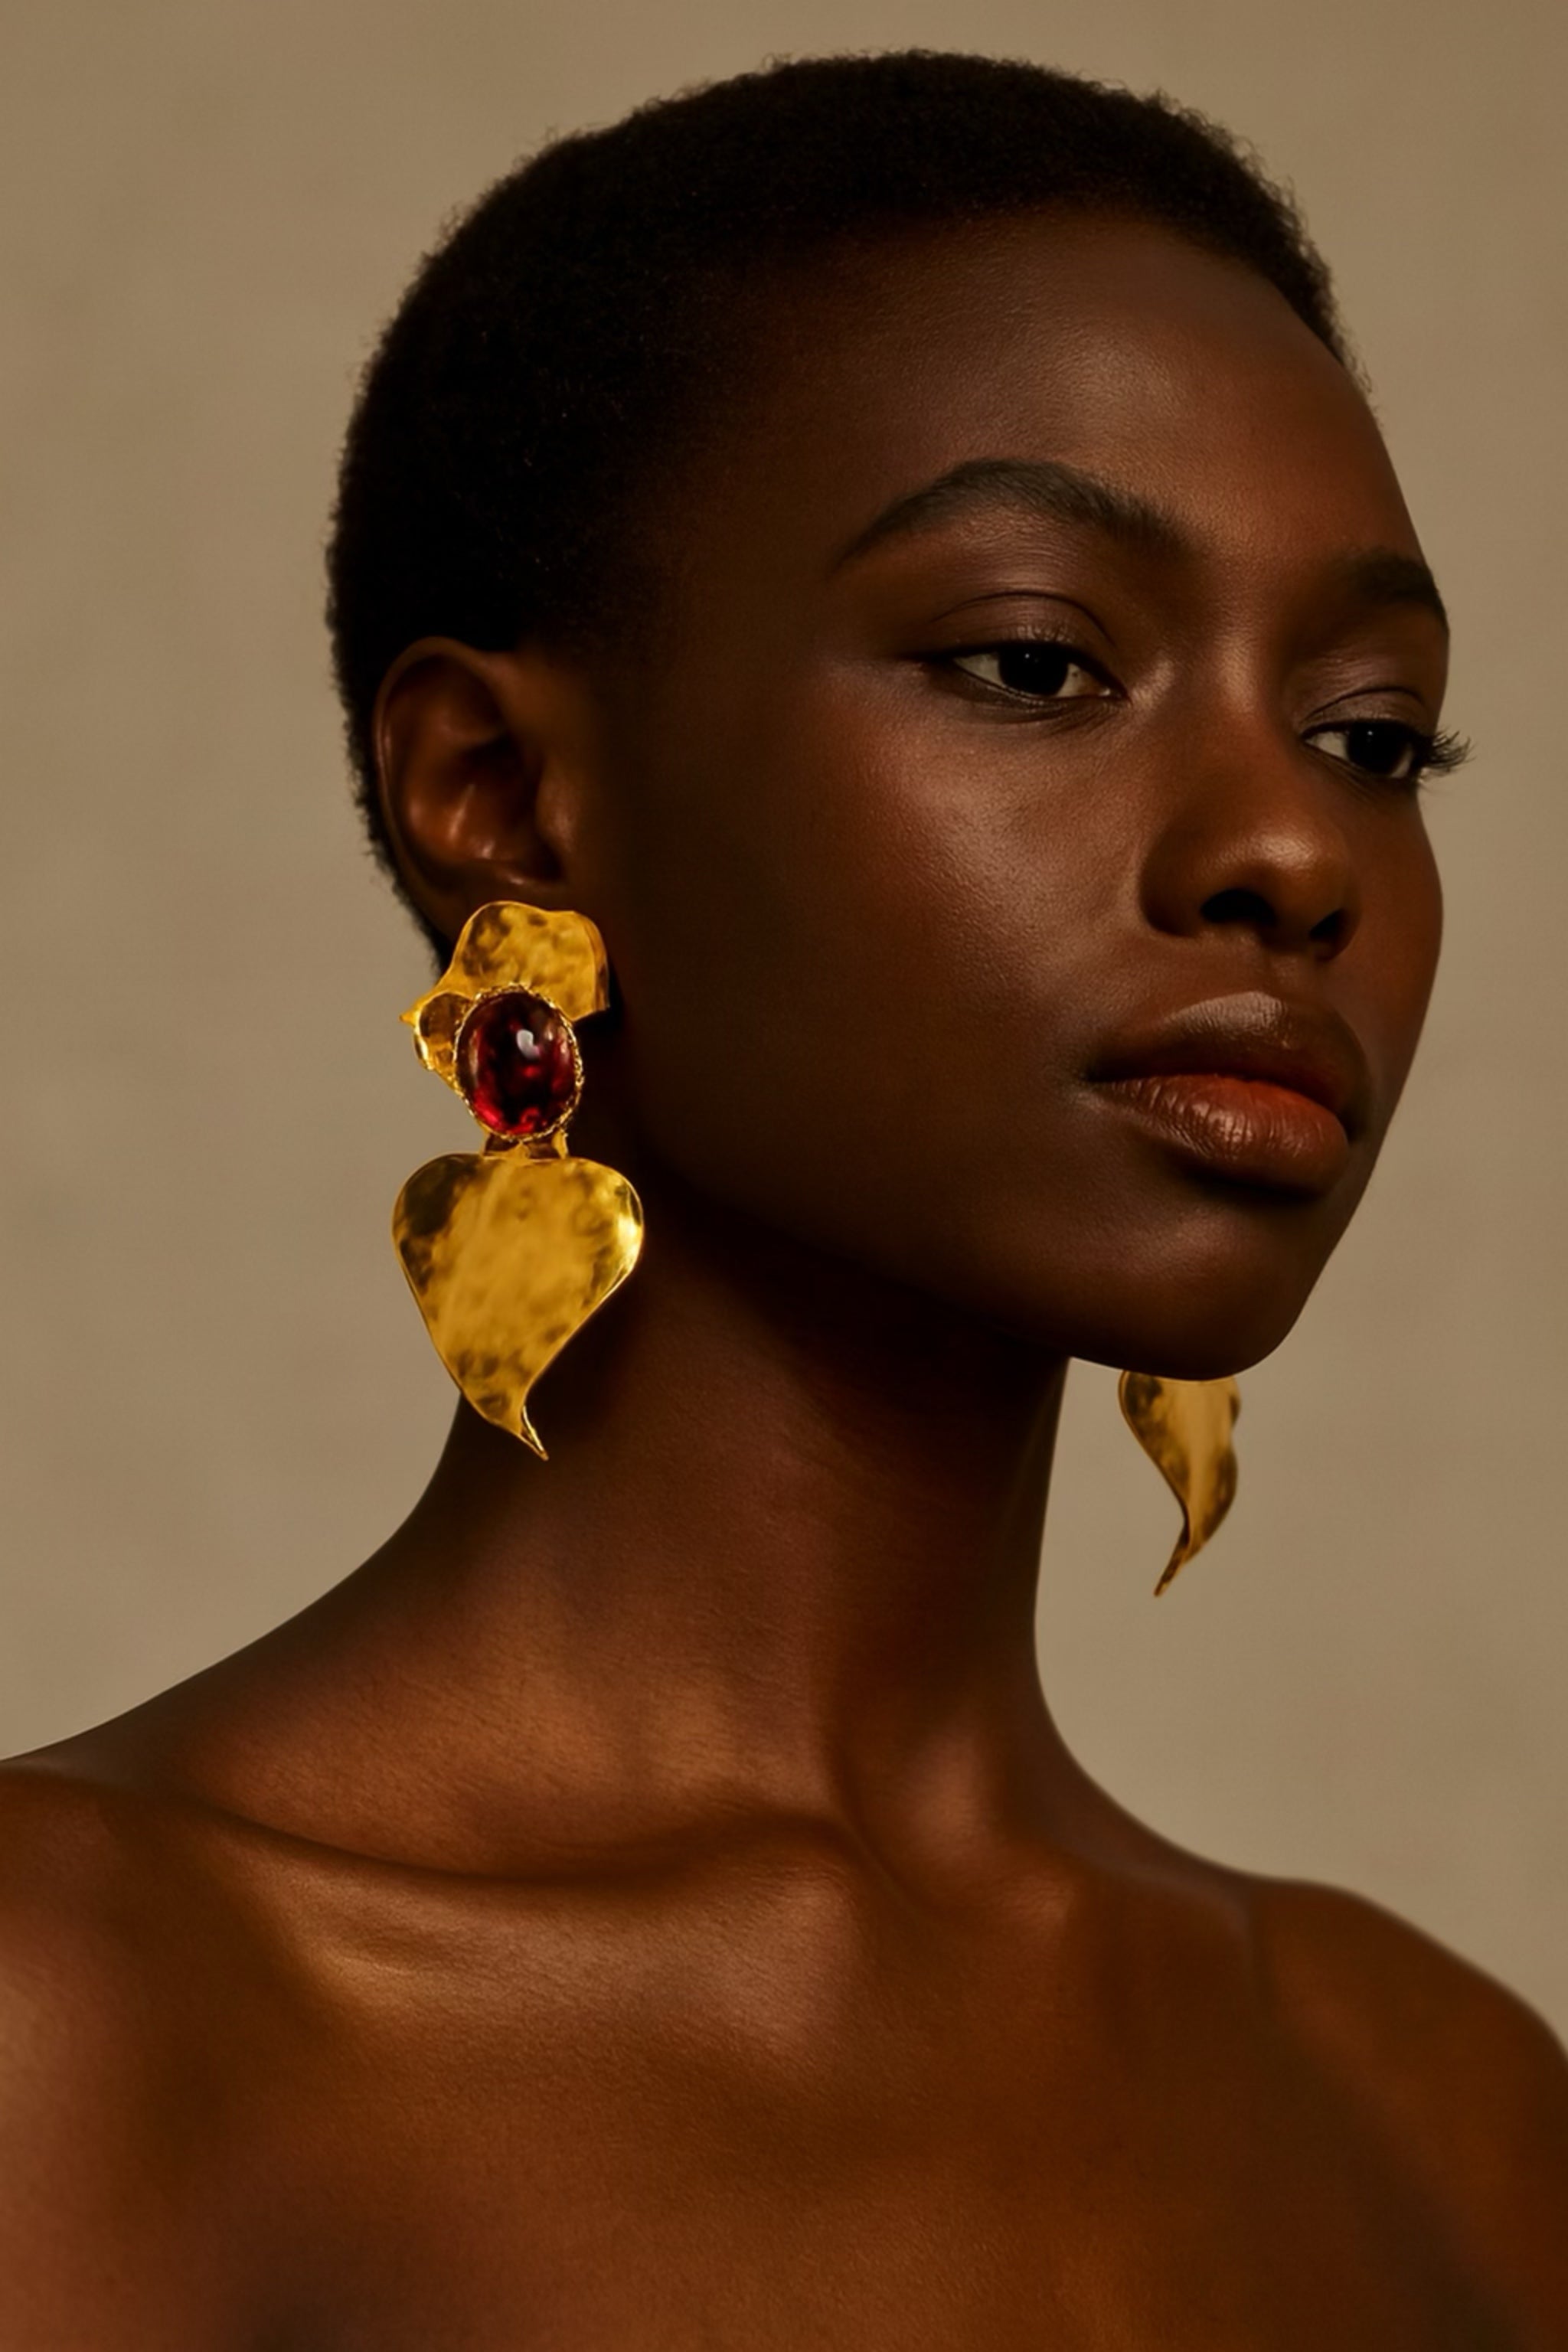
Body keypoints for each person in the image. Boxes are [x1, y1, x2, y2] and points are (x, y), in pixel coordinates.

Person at [2, 49, 1564, 2347]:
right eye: (1037, 660)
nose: (1294, 852)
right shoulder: (80, 2034)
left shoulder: (1444, 2112)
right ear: (504, 798)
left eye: (1372, 733)